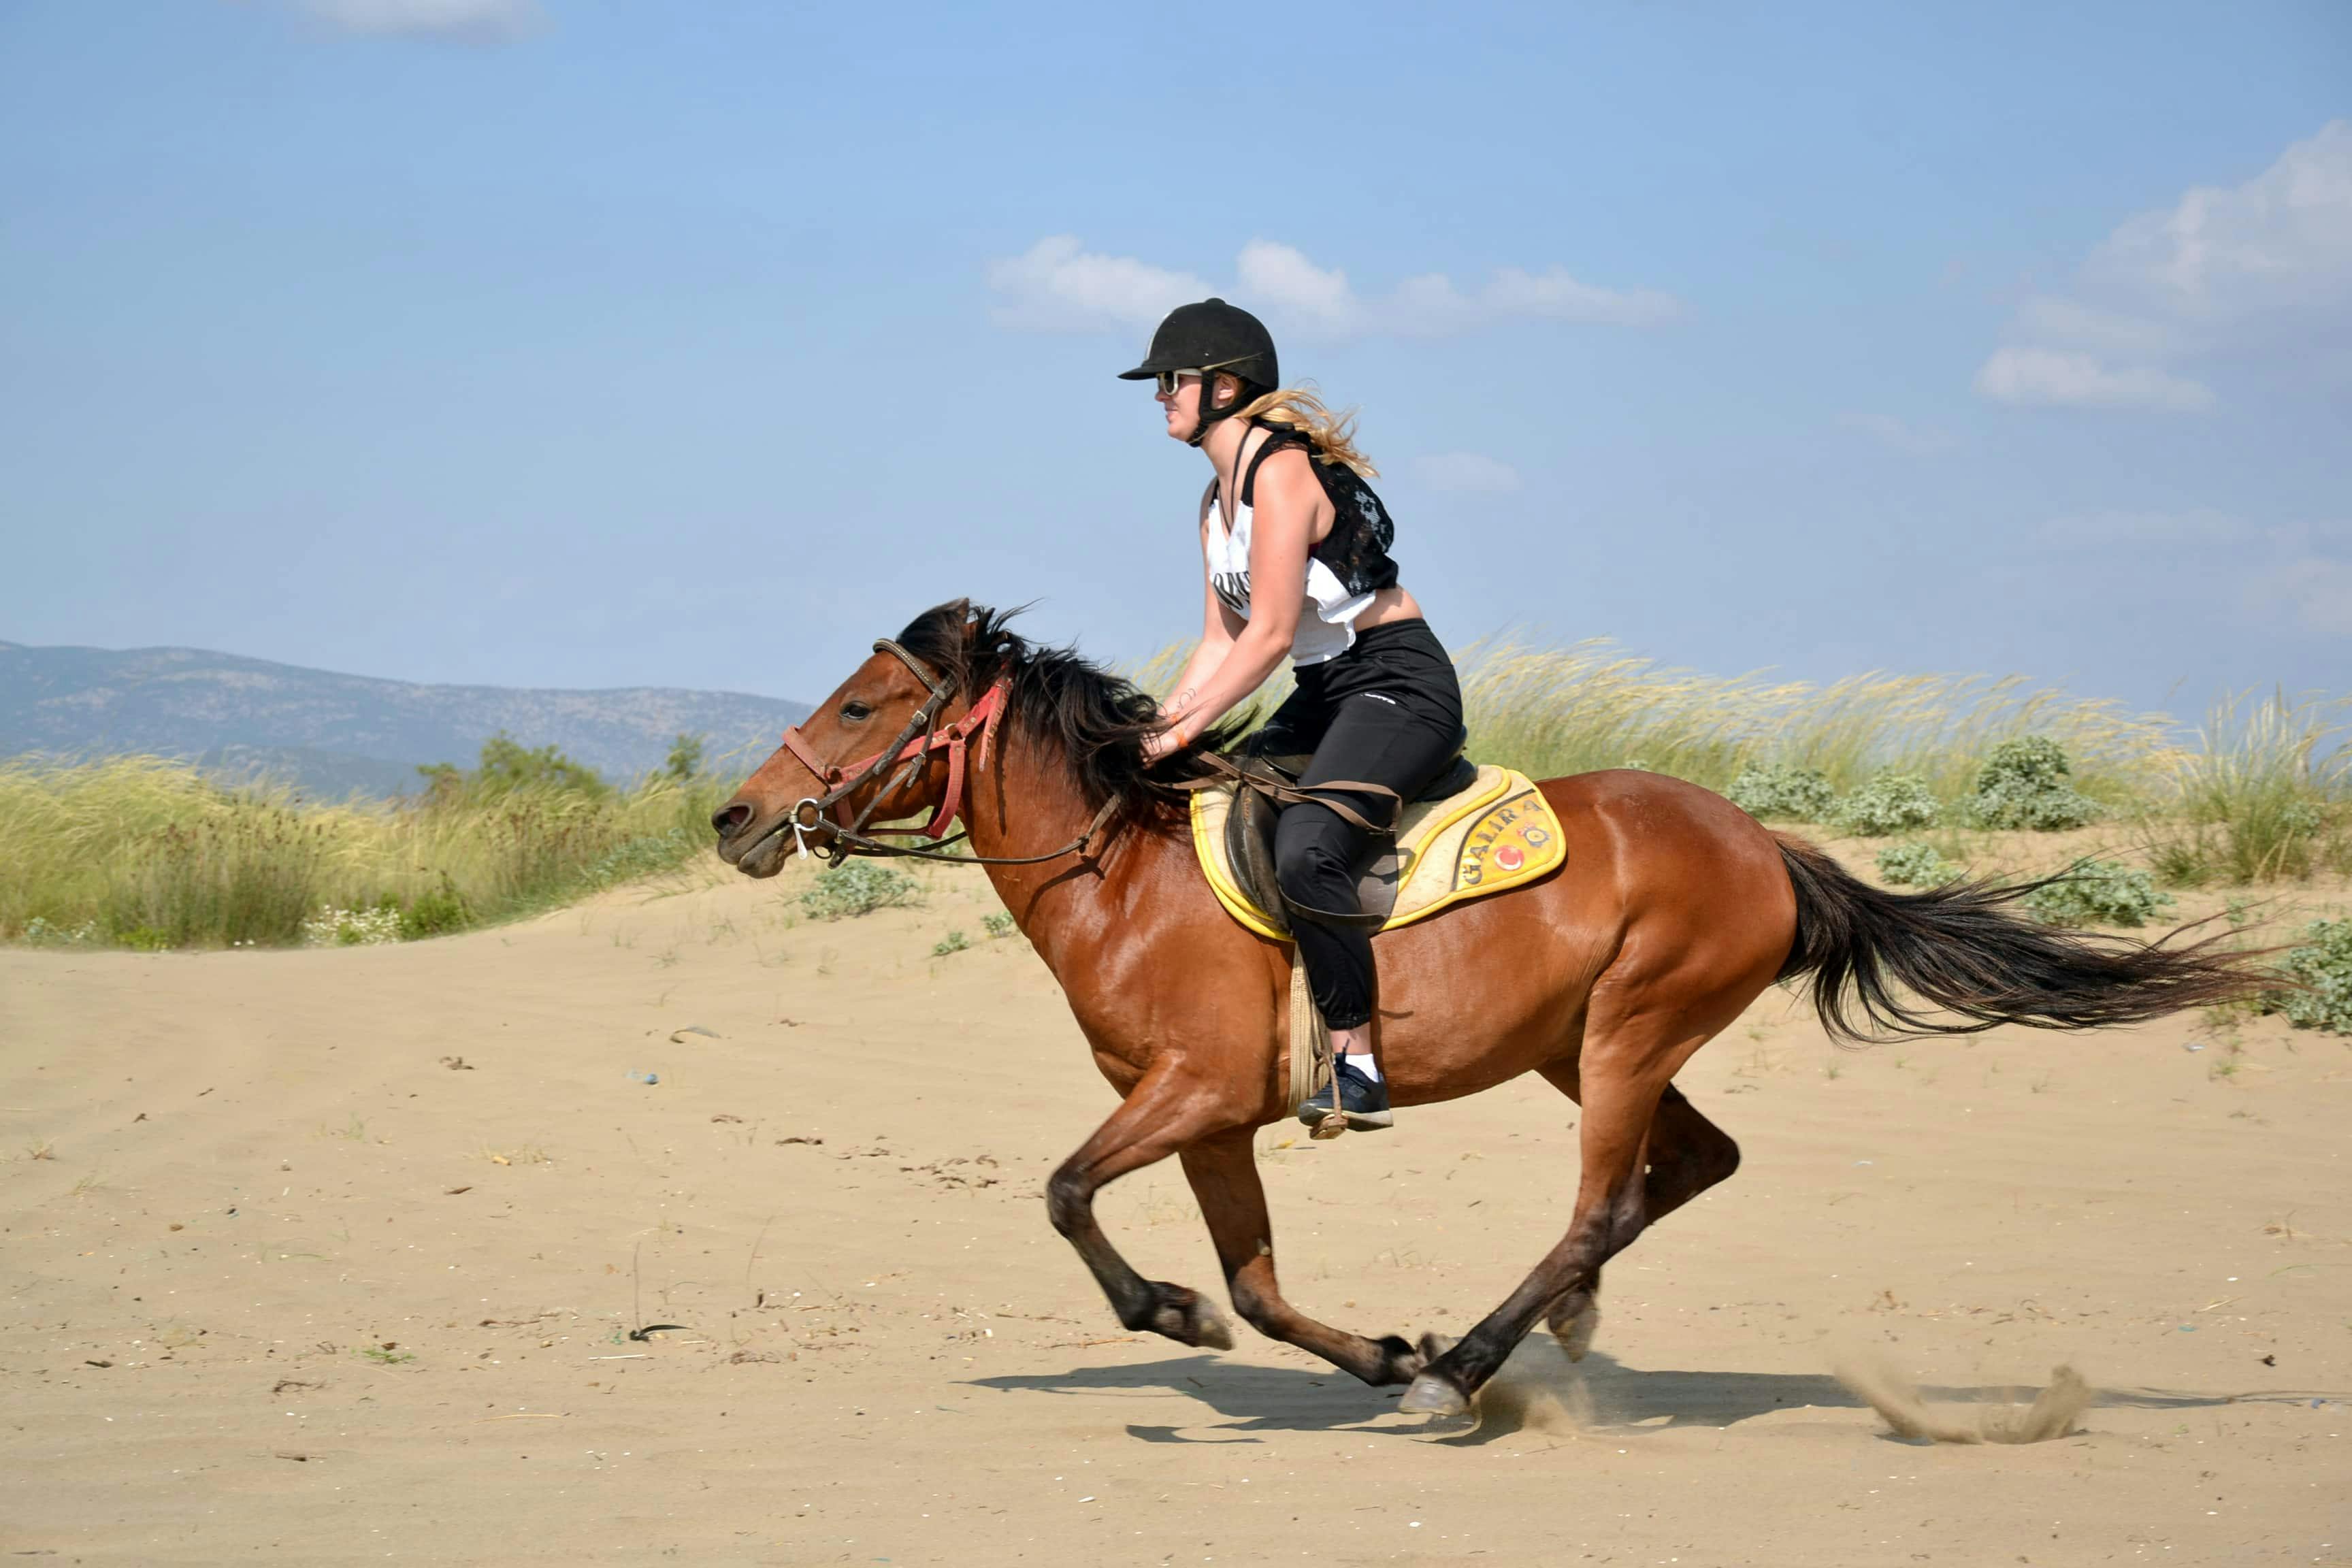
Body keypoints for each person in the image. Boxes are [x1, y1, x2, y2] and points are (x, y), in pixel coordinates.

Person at [1121, 298, 1466, 1133]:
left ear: (1223, 387)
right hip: (1321, 693)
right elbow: (1218, 641)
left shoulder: (1280, 473)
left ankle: (1357, 1063)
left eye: (1172, 381)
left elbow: (1270, 635)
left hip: (1397, 680)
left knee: (1309, 847)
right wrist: (1149, 739)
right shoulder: (1213, 502)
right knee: (1198, 799)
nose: (1159, 396)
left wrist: (1180, 728)